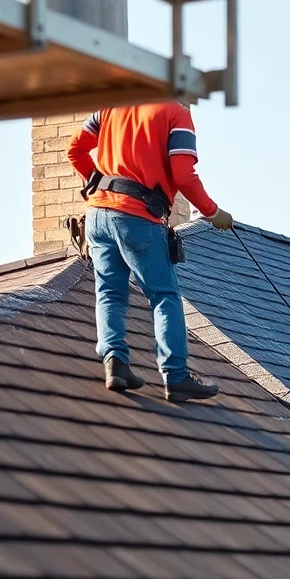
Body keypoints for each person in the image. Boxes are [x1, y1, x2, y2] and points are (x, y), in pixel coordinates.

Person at [66, 100, 234, 401]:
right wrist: (213, 212)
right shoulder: (176, 113)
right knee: (164, 295)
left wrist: (97, 182)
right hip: (138, 218)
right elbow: (183, 175)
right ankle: (176, 376)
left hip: (97, 215)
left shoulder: (109, 109)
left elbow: (75, 150)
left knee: (109, 292)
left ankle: (115, 364)